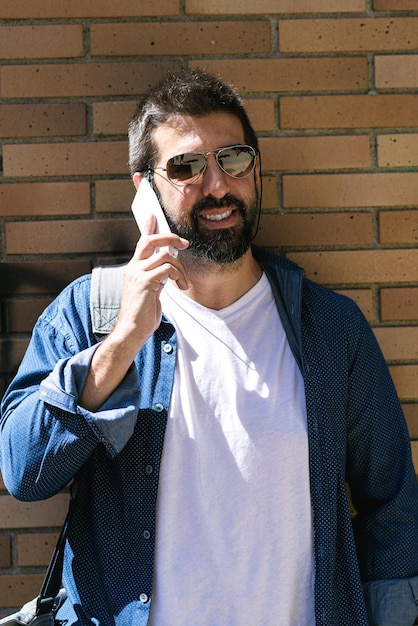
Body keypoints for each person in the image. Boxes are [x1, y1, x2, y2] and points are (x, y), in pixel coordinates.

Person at [1, 68, 418, 626]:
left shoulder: (330, 329)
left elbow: (390, 502)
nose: (218, 186)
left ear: (257, 169)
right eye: (187, 167)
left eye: (234, 160)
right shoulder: (91, 314)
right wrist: (122, 343)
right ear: (144, 188)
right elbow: (22, 472)